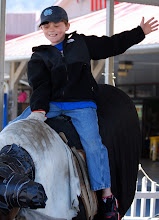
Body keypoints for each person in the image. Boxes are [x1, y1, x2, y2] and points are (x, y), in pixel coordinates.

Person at [11, 6, 158, 220]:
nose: (52, 29)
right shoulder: (39, 55)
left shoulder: (81, 43)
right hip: (51, 104)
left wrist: (140, 32)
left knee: (93, 144)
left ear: (66, 25)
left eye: (57, 25)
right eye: (47, 26)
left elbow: (111, 45)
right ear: (42, 29)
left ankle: (107, 196)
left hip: (80, 104)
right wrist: (38, 112)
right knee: (13, 128)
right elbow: (40, 86)